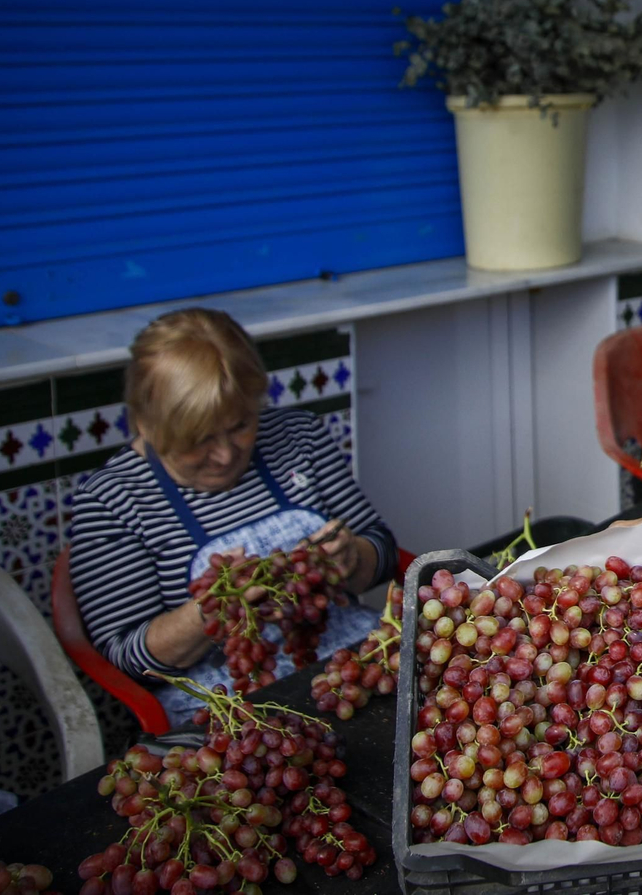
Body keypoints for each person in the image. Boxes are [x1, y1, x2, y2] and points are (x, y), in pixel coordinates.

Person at [68, 308, 397, 725]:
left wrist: (353, 557)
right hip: (232, 712)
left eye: (240, 425)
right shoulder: (110, 500)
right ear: (147, 424)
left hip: (354, 671)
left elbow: (382, 550)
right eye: (199, 439)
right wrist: (208, 613)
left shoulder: (300, 437)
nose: (225, 454)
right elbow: (127, 658)